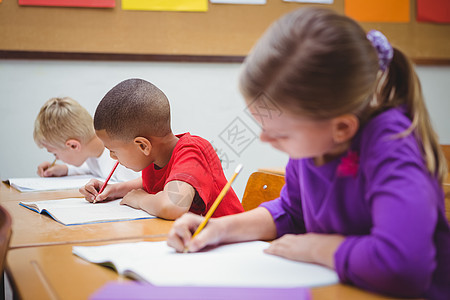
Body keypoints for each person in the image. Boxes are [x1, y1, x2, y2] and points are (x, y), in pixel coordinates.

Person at [167, 7, 450, 300]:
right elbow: (292, 211)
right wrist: (218, 228)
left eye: (281, 134)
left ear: (341, 128)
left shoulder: (393, 147)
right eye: (262, 126)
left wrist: (318, 248)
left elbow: (402, 266)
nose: (264, 139)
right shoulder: (314, 146)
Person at [79, 78, 244, 220]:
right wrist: (114, 190)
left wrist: (140, 200)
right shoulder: (156, 157)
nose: (112, 157)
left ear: (143, 145)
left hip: (230, 245)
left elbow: (172, 206)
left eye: (113, 150)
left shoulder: (193, 151)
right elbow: (152, 183)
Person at [34, 97, 139, 182]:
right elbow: (90, 167)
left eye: (55, 154)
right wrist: (65, 169)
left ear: (73, 146)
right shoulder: (92, 154)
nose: (57, 159)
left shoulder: (123, 163)